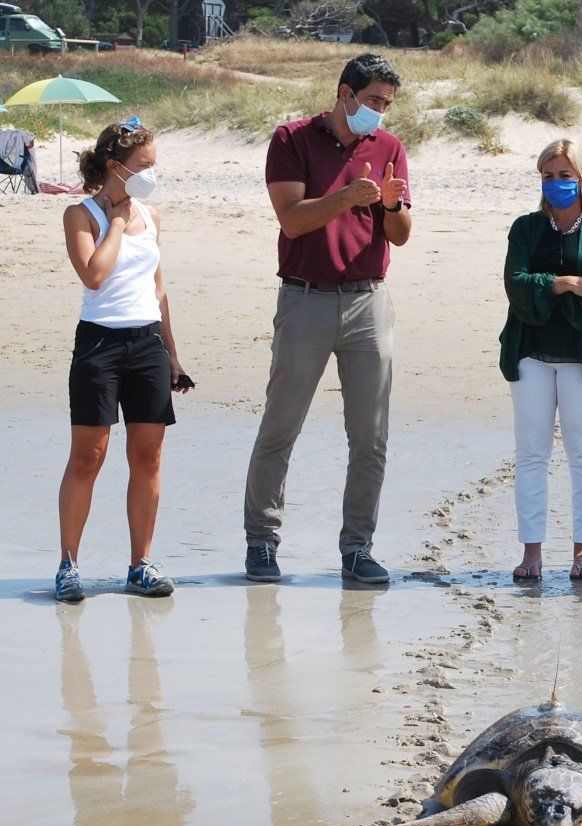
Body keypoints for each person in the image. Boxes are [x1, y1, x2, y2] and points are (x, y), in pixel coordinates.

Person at [243, 52, 411, 585]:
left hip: (368, 301)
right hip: (305, 298)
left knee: (371, 436)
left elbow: (401, 234)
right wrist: (346, 198)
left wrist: (388, 205)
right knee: (280, 427)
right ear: (345, 93)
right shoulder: (291, 139)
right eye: (373, 101)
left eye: (387, 104)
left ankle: (357, 549)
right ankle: (262, 545)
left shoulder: (389, 147)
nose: (380, 113)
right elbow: (292, 222)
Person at [55, 119, 187, 602]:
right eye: (145, 166)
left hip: (147, 343)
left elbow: (158, 287)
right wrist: (114, 220)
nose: (152, 174)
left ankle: (140, 564)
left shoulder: (152, 216)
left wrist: (172, 354)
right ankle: (69, 564)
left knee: (148, 455)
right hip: (99, 345)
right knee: (89, 456)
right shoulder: (81, 214)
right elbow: (94, 274)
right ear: (116, 166)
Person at [499, 138, 582, 581]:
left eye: (565, 176)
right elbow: (516, 286)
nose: (556, 184)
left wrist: (547, 291)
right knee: (531, 452)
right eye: (548, 176)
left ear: (581, 178)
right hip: (529, 353)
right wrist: (569, 283)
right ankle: (532, 551)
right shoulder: (525, 228)